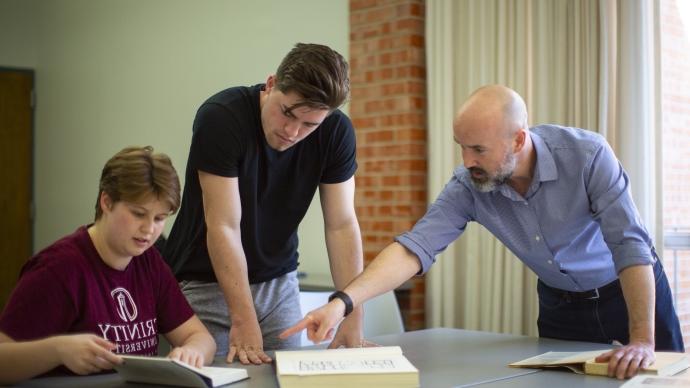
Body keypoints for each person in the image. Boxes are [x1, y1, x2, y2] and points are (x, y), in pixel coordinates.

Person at [280, 85, 684, 380]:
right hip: (561, 305)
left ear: (519, 139)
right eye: (461, 147)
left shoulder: (588, 155)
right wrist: (342, 302)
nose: (466, 161)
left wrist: (642, 339)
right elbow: (413, 249)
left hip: (629, 290)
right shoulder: (468, 184)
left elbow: (630, 245)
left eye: (478, 150)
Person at [163, 43, 364, 365]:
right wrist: (242, 318)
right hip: (205, 282)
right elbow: (224, 225)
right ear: (271, 84)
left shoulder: (337, 132)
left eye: (310, 125)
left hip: (278, 283)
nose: (292, 132)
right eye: (287, 112)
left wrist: (352, 314)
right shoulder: (222, 117)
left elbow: (341, 225)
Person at [0, 146, 216, 384]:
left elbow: (201, 337)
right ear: (106, 201)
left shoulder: (150, 261)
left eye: (159, 218)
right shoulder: (57, 269)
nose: (149, 229)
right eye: (138, 214)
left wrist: (192, 352)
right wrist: (57, 349)